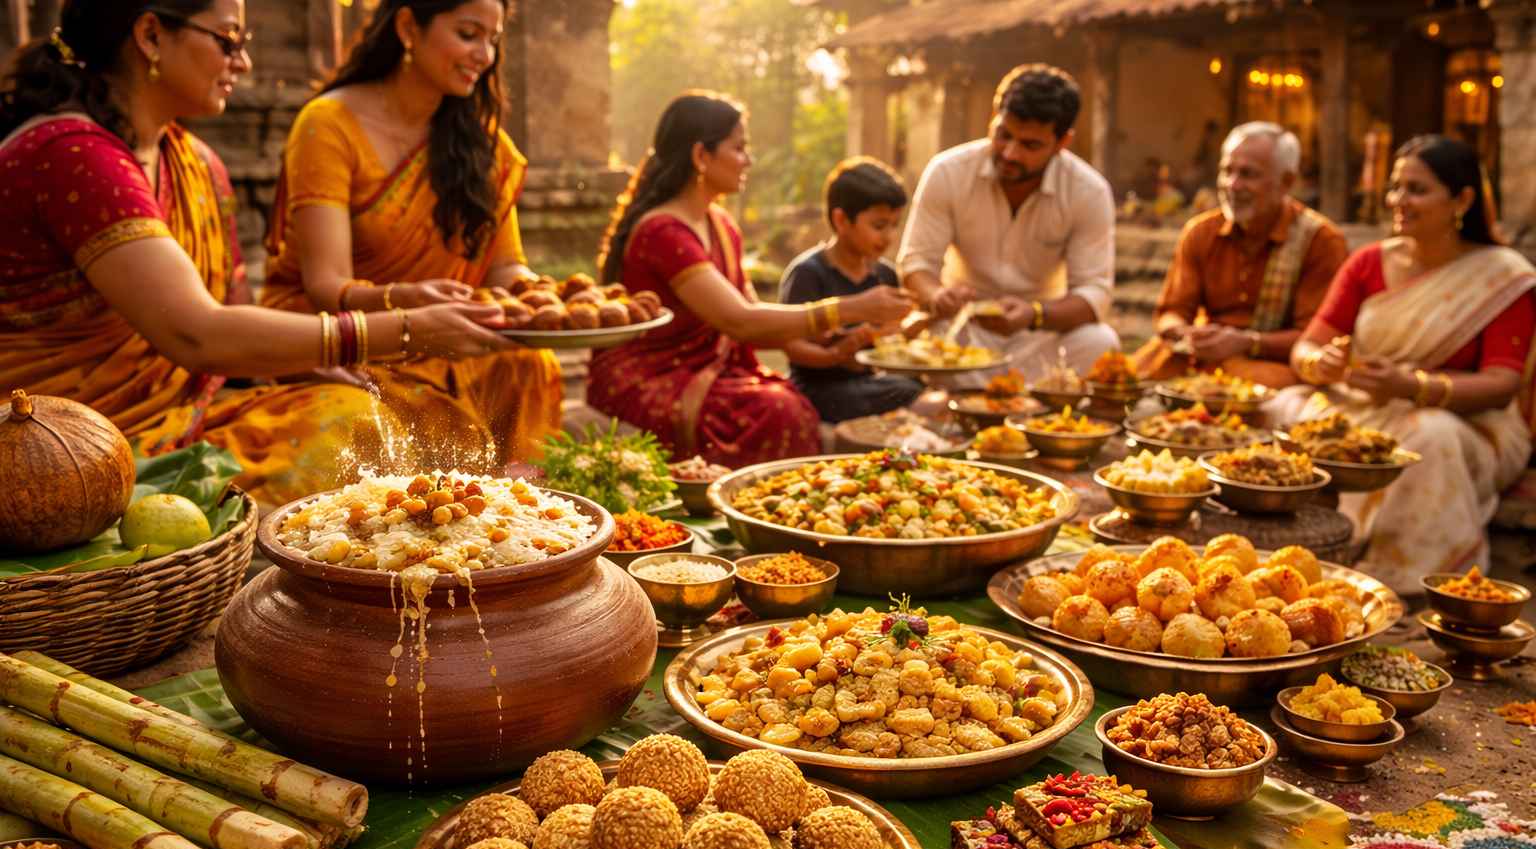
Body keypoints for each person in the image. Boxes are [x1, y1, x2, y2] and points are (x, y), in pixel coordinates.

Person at [0, 0, 506, 506]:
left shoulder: (195, 163)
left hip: (192, 411)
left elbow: (235, 334)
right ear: (151, 36)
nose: (242, 63)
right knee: (343, 445)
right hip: (55, 447)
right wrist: (406, 329)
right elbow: (196, 333)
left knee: (388, 418)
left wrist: (311, 365)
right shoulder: (69, 154)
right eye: (228, 41)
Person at [260, 0, 560, 469]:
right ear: (407, 27)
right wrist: (410, 298)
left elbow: (505, 267)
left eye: (493, 40)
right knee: (377, 419)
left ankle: (521, 515)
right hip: (349, 340)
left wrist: (545, 300)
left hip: (443, 336)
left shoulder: (483, 145)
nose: (484, 55)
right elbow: (325, 285)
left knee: (530, 364)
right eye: (468, 34)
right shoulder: (329, 125)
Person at [1272, 135, 1535, 595]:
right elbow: (1306, 349)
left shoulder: (1500, 275)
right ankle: (1300, 550)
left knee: (1429, 436)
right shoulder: (1369, 262)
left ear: (1463, 199)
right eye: (1395, 187)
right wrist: (1324, 363)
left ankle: (1402, 576)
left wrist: (1412, 385)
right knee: (1279, 410)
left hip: (1467, 422)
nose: (1398, 200)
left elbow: (1502, 383)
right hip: (1362, 405)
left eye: (1417, 189)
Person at [588, 92, 912, 466]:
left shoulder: (722, 225)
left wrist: (847, 340)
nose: (749, 160)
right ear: (701, 156)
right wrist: (850, 308)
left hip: (715, 370)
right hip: (656, 374)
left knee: (791, 400)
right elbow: (739, 321)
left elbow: (755, 313)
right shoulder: (663, 232)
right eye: (739, 148)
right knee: (780, 411)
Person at [897, 63, 1118, 389]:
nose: (1010, 153)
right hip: (964, 327)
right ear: (993, 118)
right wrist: (937, 296)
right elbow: (915, 264)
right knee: (930, 335)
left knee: (1100, 342)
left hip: (1039, 331)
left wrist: (1034, 314)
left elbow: (1094, 294)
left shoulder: (1089, 191)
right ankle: (1009, 399)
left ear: (1062, 142)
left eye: (1030, 145)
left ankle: (997, 398)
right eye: (1003, 135)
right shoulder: (947, 172)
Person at [1148, 122, 1348, 390]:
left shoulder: (1321, 242)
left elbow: (1316, 339)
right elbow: (1172, 312)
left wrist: (1247, 342)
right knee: (1122, 380)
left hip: (1268, 366)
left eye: (1248, 174)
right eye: (1226, 171)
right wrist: (1187, 333)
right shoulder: (1200, 232)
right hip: (1198, 355)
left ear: (1286, 182)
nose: (1232, 184)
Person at [778, 157, 921, 423]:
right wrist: (836, 354)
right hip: (820, 386)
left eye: (894, 225)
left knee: (914, 384)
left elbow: (893, 340)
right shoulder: (808, 273)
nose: (888, 236)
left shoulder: (885, 274)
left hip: (871, 381)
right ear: (842, 220)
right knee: (905, 391)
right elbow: (793, 346)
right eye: (879, 226)